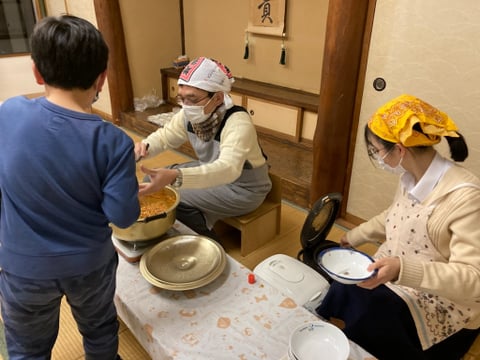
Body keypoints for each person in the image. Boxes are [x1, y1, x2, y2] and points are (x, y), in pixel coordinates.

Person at [0, 15, 140, 360]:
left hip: (23, 269)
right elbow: (122, 216)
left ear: (36, 72)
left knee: (27, 350)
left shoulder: (9, 113)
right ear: (101, 79)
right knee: (100, 332)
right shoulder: (115, 142)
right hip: (89, 266)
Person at [316, 94, 480, 360]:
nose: (377, 158)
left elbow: (474, 279)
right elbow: (393, 217)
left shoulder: (466, 197)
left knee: (373, 308)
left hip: (442, 297)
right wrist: (353, 237)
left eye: (376, 150)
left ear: (399, 150)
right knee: (344, 283)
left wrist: (403, 270)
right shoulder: (410, 177)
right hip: (397, 269)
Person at [135, 57, 271, 238]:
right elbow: (165, 137)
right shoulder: (190, 114)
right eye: (181, 98)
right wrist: (143, 148)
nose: (185, 105)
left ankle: (207, 241)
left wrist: (176, 176)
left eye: (192, 99)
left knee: (173, 193)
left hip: (242, 188)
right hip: (213, 172)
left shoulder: (238, 123)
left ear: (218, 97)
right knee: (149, 179)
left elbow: (227, 169)